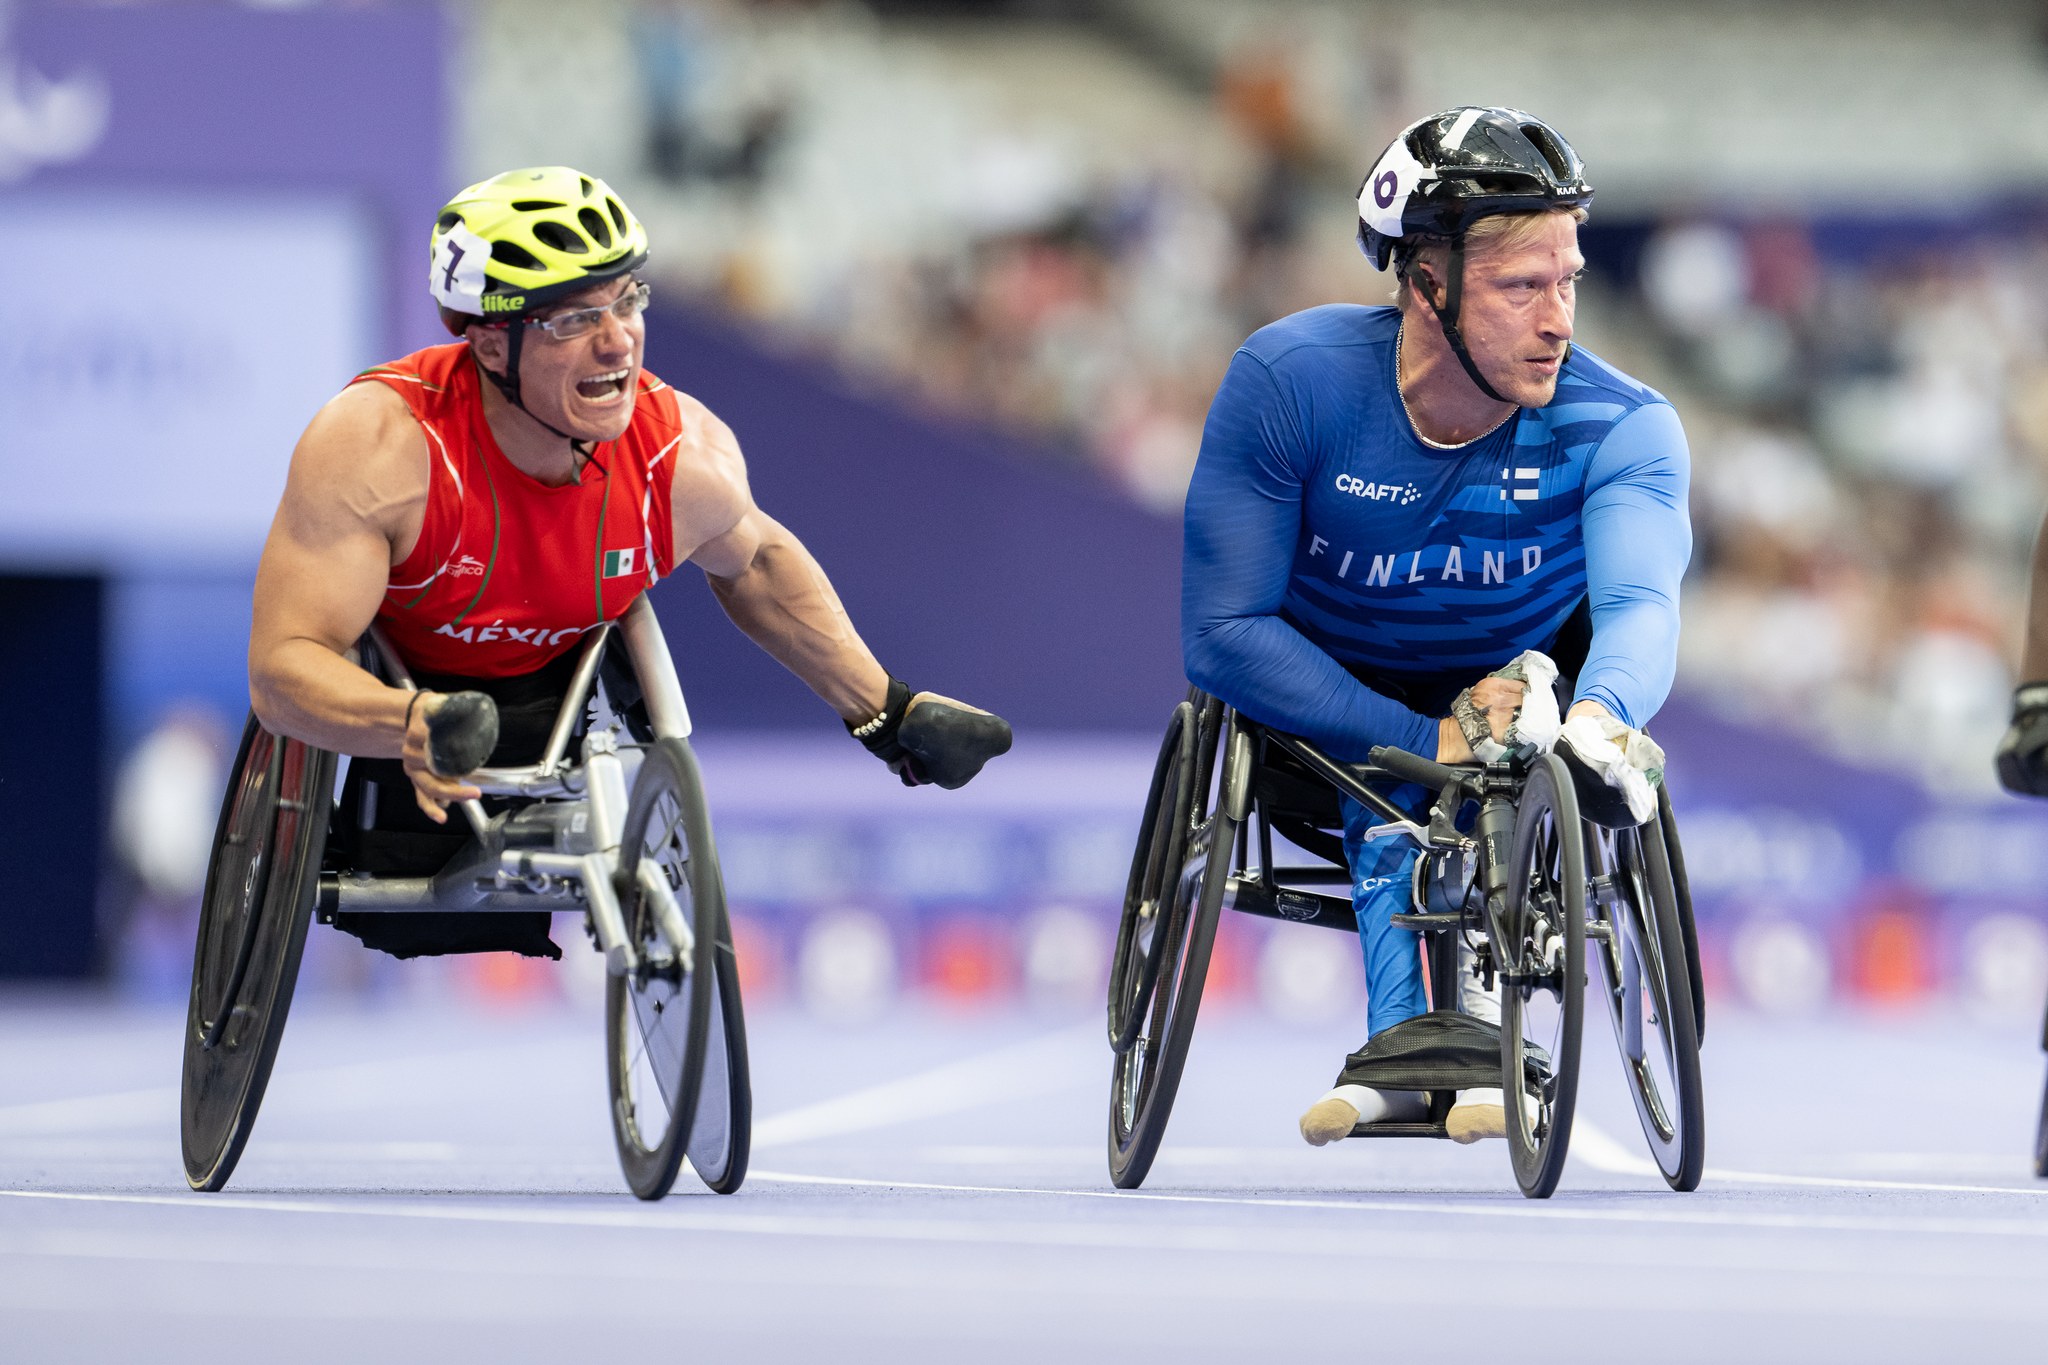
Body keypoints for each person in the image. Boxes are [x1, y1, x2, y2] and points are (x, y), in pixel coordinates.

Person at [248, 166, 1010, 958]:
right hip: (404, 682)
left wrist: (886, 713)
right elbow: (282, 669)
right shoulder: (379, 448)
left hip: (565, 671)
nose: (618, 339)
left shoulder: (683, 459)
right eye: (575, 318)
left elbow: (754, 562)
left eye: (627, 299)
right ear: (485, 340)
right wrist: (403, 719)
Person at [1180, 109, 1691, 1144]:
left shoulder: (1624, 424)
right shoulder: (1290, 385)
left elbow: (1639, 603)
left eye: (1569, 280)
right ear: (1423, 280)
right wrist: (1423, 743)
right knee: (1407, 788)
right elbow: (1224, 631)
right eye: (1520, 288)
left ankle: (1463, 1037)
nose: (1558, 321)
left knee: (1517, 731)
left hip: (1524, 693)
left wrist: (1600, 715)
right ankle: (1415, 1043)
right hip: (1322, 712)